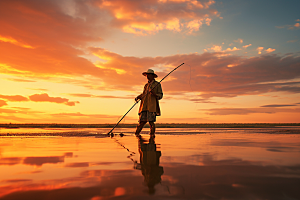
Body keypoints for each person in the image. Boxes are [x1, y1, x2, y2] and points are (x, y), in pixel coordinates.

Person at [135, 69, 163, 136]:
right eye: (147, 75)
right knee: (141, 122)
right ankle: (136, 134)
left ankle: (152, 135)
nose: (147, 76)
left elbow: (160, 95)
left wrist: (154, 94)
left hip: (152, 107)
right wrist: (139, 97)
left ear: (153, 76)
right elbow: (144, 94)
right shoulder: (146, 85)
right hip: (144, 106)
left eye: (149, 75)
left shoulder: (157, 84)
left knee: (151, 122)